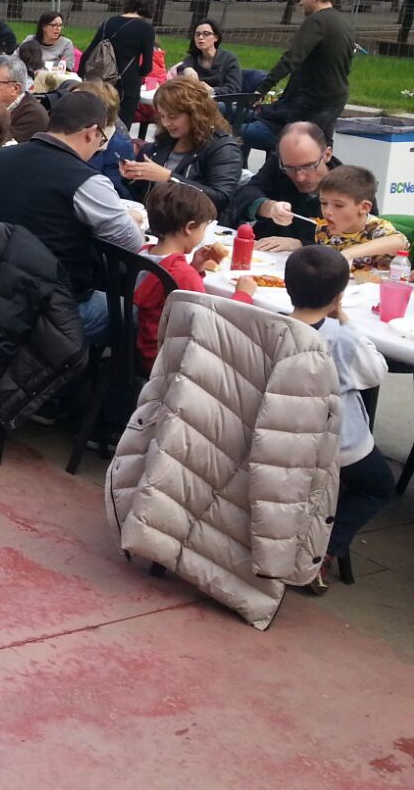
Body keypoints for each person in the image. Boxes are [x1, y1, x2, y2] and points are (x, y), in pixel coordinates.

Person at [0, 91, 145, 343]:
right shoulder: (87, 181)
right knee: (141, 315)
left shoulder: (1, 157)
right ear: (91, 132)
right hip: (55, 305)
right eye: (101, 139)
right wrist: (131, 220)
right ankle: (97, 366)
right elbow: (133, 244)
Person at [283, 244, 394, 595]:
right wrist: (345, 320)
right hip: (335, 445)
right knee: (379, 486)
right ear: (338, 297)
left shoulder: (273, 326)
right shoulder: (341, 338)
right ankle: (324, 549)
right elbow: (375, 372)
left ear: (287, 286)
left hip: (280, 437)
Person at [133, 182, 256, 370]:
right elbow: (210, 324)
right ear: (190, 227)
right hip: (172, 360)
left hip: (145, 346)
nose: (203, 234)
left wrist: (195, 267)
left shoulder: (144, 253)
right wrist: (243, 295)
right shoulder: (183, 274)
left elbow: (167, 287)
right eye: (204, 228)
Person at [246, 0, 355, 150]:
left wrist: (261, 90)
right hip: (337, 97)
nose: (300, 2)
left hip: (315, 99)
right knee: (321, 147)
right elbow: (346, 64)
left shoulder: (316, 21)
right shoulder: (344, 23)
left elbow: (291, 59)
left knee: (292, 145)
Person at [119, 75, 243, 215]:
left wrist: (169, 178)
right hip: (156, 218)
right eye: (162, 116)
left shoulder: (223, 148)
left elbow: (220, 199)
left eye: (173, 117)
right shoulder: (165, 141)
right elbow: (140, 194)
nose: (166, 123)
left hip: (196, 222)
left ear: (196, 114)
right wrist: (132, 177)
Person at [229, 122, 352, 250]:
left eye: (308, 166)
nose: (299, 177)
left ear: (327, 155)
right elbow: (245, 195)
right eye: (290, 168)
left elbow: (356, 243)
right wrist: (268, 207)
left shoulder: (351, 187)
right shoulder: (279, 165)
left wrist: (302, 244)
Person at [80, 0, 157, 127]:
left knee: (97, 124)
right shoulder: (146, 30)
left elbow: (89, 53)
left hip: (101, 82)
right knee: (121, 127)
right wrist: (138, 73)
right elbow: (147, 67)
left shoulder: (108, 22)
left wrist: (82, 75)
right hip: (126, 84)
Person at [314, 165, 405, 271]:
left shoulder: (375, 227)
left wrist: (348, 253)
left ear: (364, 207)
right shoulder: (323, 229)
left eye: (338, 205)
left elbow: (400, 242)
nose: (327, 211)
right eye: (324, 203)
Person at [69, 78, 135, 195]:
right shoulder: (66, 131)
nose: (66, 107)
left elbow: (117, 193)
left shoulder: (118, 146)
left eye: (75, 104)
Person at [171, 17, 242, 93]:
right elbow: (179, 79)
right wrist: (186, 69)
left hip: (220, 99)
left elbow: (234, 89)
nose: (200, 37)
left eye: (206, 34)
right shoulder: (192, 59)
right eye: (197, 34)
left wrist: (211, 90)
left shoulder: (229, 59)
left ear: (216, 38)